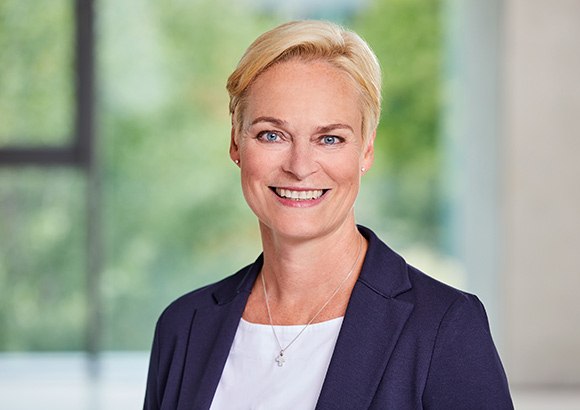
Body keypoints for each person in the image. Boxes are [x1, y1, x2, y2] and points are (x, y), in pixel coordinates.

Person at [143, 20, 513, 409]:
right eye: (272, 134)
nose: (300, 166)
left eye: (330, 138)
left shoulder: (444, 327)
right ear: (236, 142)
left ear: (366, 150)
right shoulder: (183, 327)